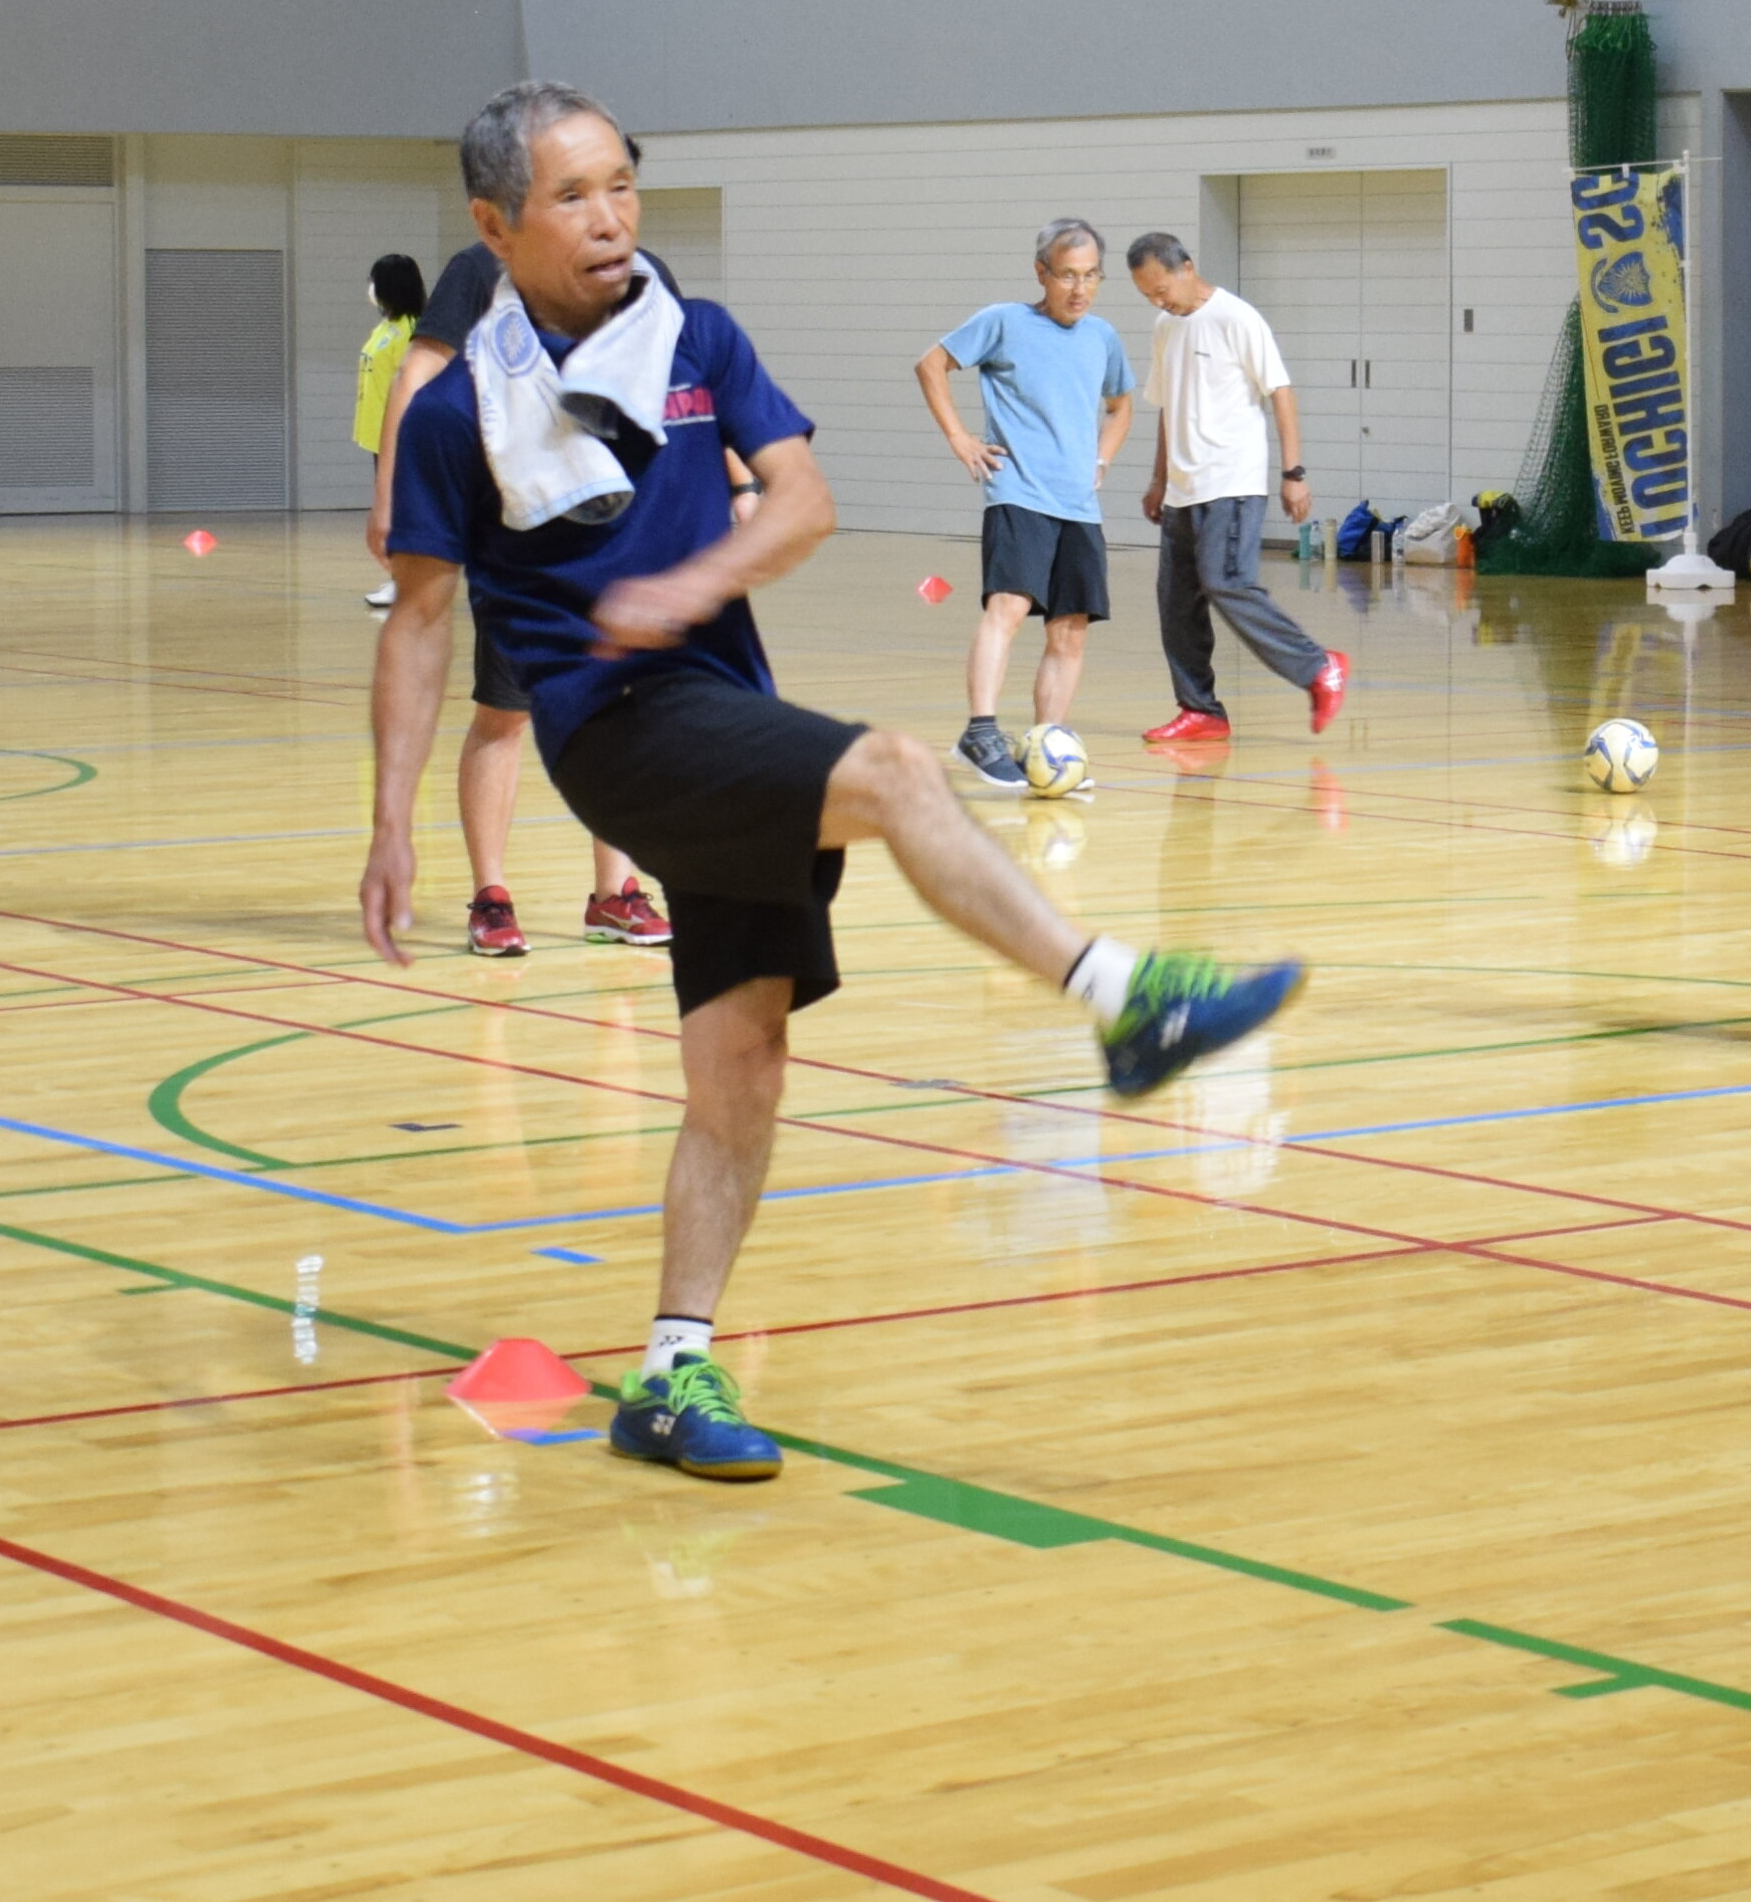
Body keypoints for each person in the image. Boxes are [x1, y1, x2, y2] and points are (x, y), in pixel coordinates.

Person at [365, 84, 1300, 1478]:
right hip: (612, 729)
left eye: (622, 184)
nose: (612, 217)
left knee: (741, 1069)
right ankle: (1123, 999)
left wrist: (692, 581)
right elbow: (421, 620)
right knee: (901, 770)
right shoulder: (458, 415)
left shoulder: (697, 337)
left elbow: (803, 501)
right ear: (494, 225)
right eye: (571, 196)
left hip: (714, 703)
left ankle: (670, 1375)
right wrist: (393, 825)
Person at [388, 226, 663, 953]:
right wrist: (392, 493)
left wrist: (737, 485)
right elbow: (418, 372)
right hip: (517, 532)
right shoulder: (482, 269)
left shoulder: (643, 274)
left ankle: (615, 893)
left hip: (619, 535)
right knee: (504, 715)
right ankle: (491, 896)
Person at [912, 221, 1136, 789]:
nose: (1080, 289)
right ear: (1042, 273)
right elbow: (931, 363)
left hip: (1079, 505)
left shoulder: (1102, 337)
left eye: (1091, 276)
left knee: (1071, 630)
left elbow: (1121, 405)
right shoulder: (1004, 321)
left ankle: (1046, 745)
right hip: (1019, 491)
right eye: (1068, 276)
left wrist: (1102, 458)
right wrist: (959, 436)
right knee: (1008, 606)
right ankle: (981, 732)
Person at [1121, 229, 1346, 744]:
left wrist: (1293, 473)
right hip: (1182, 489)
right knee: (1176, 602)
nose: (1157, 302)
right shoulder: (1164, 327)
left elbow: (1280, 392)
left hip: (1231, 481)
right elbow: (1167, 407)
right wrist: (1158, 478)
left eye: (1161, 290)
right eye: (1147, 295)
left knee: (1227, 581)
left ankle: (1318, 666)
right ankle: (1200, 710)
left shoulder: (1236, 318)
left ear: (1186, 268)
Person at [353, 250, 420, 615]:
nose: (370, 287)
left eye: (375, 280)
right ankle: (397, 576)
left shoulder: (411, 330)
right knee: (390, 504)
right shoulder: (385, 327)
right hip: (376, 432)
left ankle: (405, 581)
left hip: (398, 434)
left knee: (400, 507)